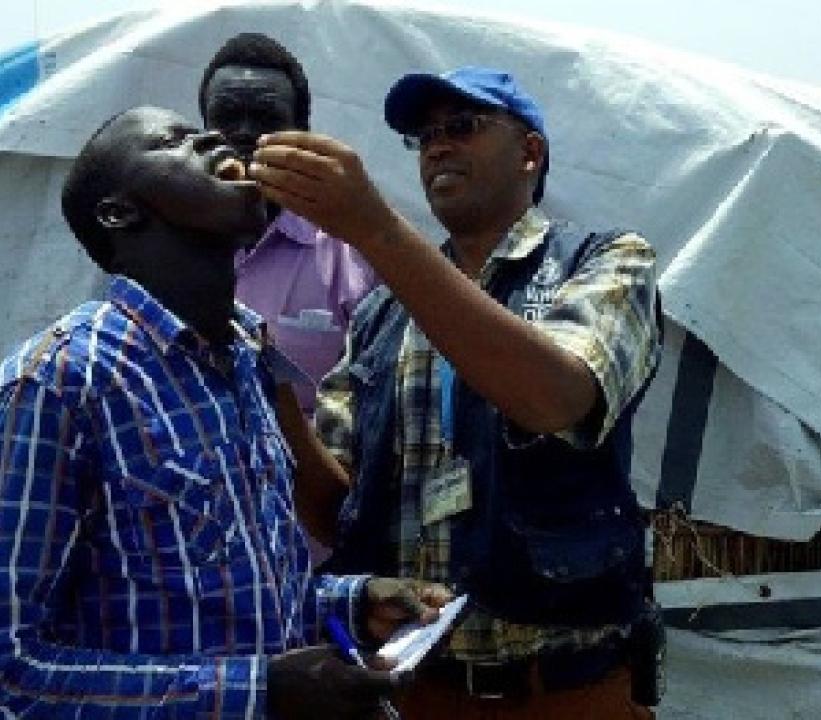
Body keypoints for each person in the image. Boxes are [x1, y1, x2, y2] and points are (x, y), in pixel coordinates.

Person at [0, 106, 449, 719]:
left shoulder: (246, 361)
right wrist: (261, 690)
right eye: (176, 141)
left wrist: (351, 601)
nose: (215, 138)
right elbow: (12, 669)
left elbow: (230, 593)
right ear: (120, 212)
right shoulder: (59, 383)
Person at [250, 66, 662, 718]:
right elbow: (336, 513)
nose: (438, 146)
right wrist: (269, 385)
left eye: (462, 127)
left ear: (530, 153)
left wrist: (373, 229)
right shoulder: (382, 316)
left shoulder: (605, 261)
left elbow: (557, 397)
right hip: (419, 694)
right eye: (424, 136)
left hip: (566, 692)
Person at [199, 33, 377, 415]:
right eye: (227, 116)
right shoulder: (165, 246)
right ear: (203, 131)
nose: (244, 132)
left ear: (301, 133)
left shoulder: (354, 256)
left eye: (266, 119)